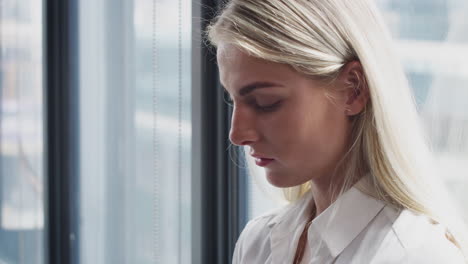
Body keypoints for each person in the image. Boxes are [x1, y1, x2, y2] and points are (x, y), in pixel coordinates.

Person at [207, 0, 468, 263]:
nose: (236, 133)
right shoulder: (257, 243)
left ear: (353, 89)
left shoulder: (418, 255)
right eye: (232, 100)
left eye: (266, 102)